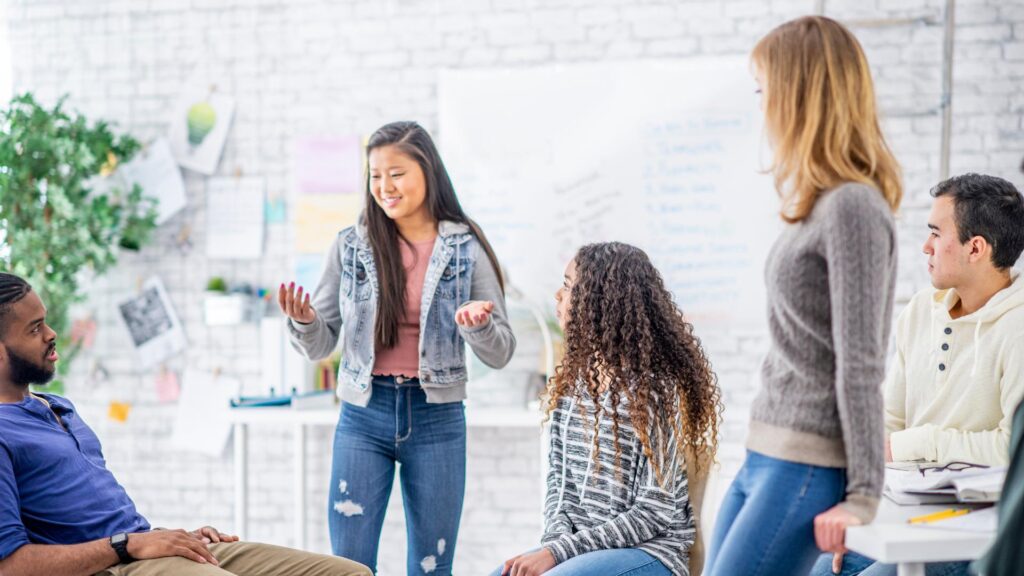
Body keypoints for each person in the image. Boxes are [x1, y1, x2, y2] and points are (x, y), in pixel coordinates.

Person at [0, 272, 371, 576]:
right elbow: (11, 565)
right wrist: (128, 546)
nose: (51, 334)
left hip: (140, 549)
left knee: (351, 574)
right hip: (111, 566)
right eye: (34, 329)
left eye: (45, 321)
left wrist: (169, 538)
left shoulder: (57, 407)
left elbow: (99, 516)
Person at [704, 15, 903, 576]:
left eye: (766, 91)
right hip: (765, 453)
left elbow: (861, 361)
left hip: (807, 463)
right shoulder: (815, 208)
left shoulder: (854, 208)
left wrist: (864, 494)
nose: (762, 107)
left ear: (799, 94)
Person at [280, 121, 516, 575]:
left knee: (432, 566)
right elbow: (320, 343)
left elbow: (501, 351)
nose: (384, 187)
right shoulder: (351, 247)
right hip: (363, 416)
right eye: (375, 175)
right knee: (346, 566)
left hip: (438, 419)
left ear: (427, 171)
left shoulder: (466, 247)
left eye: (397, 173)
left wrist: (477, 326)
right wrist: (305, 321)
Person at [812, 175, 1024, 575]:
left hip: (977, 537)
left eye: (935, 233)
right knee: (820, 567)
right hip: (906, 516)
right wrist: (858, 505)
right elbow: (889, 425)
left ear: (975, 247)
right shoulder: (920, 311)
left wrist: (915, 443)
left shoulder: (1018, 328)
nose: (924, 247)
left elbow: (1012, 450)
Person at [492, 242, 722, 576]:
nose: (558, 295)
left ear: (601, 301)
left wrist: (559, 554)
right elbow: (559, 489)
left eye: (569, 286)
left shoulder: (655, 391)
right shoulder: (568, 385)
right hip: (582, 549)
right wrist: (556, 547)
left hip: (650, 552)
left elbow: (655, 511)